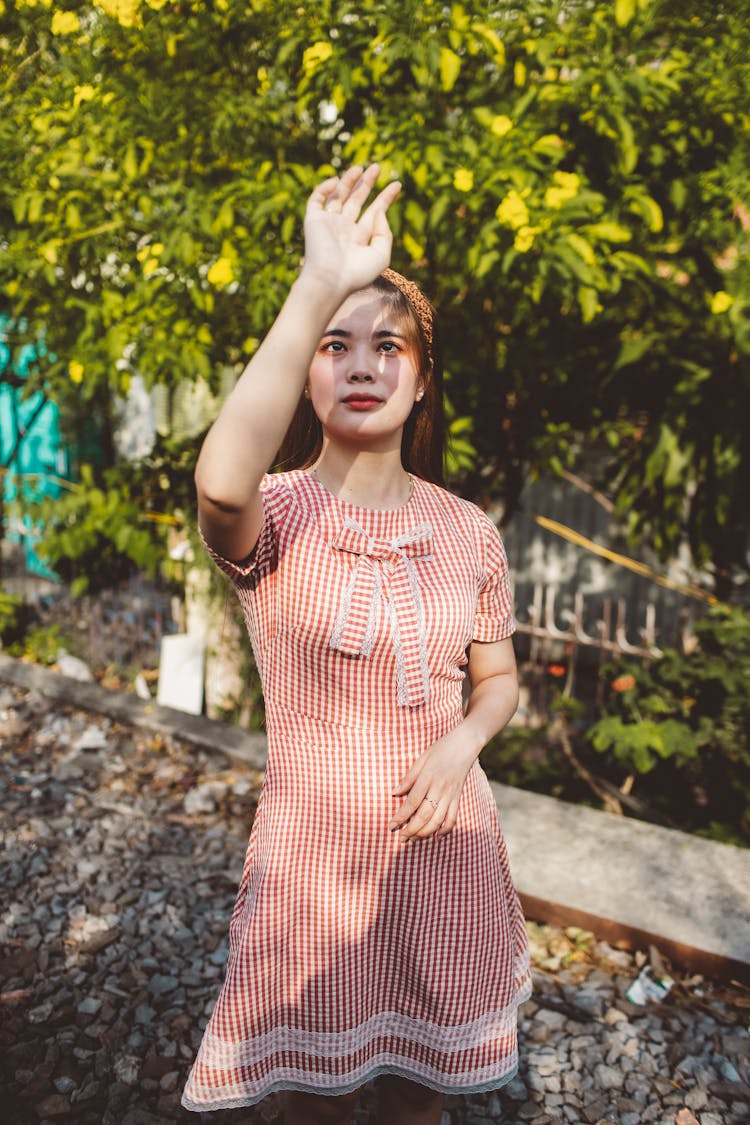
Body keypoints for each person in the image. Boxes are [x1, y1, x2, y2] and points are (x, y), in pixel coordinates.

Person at [182, 164, 531, 1124]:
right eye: (337, 346)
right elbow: (217, 482)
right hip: (313, 872)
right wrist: (315, 282)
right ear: (308, 371)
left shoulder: (469, 530)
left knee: (422, 1097)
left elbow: (496, 679)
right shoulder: (278, 512)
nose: (363, 364)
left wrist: (463, 742)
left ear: (421, 382)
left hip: (445, 853)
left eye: (389, 347)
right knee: (313, 1103)